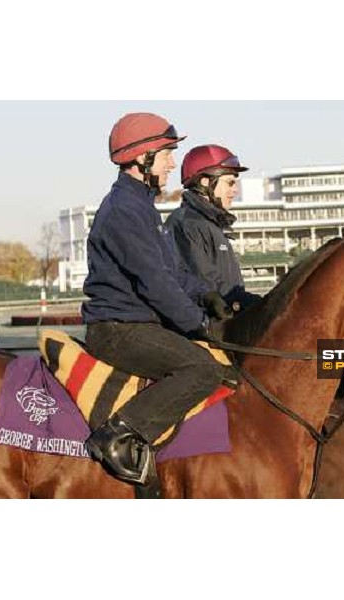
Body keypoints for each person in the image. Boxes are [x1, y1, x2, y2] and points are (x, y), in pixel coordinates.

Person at [82, 113, 231, 486]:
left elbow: (173, 275)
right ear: (141, 158)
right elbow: (155, 284)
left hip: (136, 324)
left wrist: (205, 294)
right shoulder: (123, 211)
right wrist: (198, 326)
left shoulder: (142, 207)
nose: (172, 163)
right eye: (166, 153)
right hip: (118, 329)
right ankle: (118, 434)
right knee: (204, 369)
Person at [166, 145, 261, 313]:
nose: (235, 190)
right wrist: (251, 302)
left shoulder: (211, 224)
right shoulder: (186, 223)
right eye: (230, 183)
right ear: (205, 182)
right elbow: (204, 281)